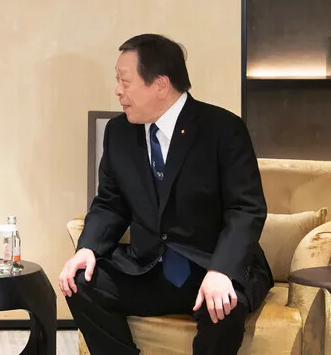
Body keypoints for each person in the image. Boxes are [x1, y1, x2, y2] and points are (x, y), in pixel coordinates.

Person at [59, 34, 273, 355]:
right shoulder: (119, 132)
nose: (117, 90)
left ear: (160, 85)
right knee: (79, 283)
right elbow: (110, 203)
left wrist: (222, 270)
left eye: (125, 81)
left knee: (224, 307)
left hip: (211, 264)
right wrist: (87, 248)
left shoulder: (223, 129)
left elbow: (246, 209)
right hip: (148, 266)